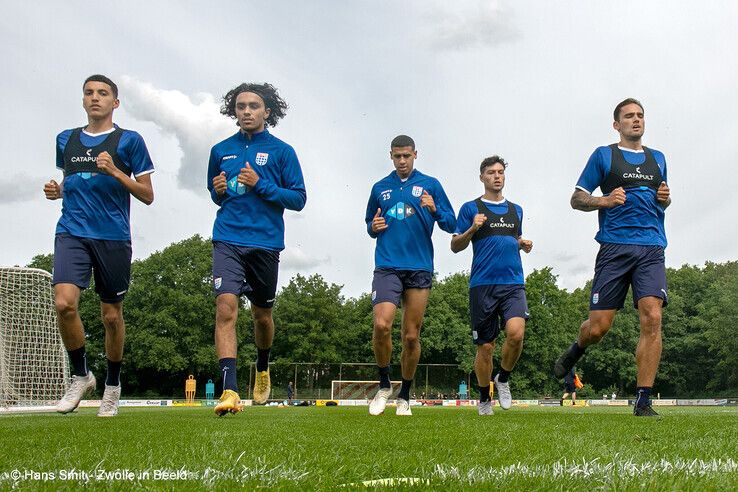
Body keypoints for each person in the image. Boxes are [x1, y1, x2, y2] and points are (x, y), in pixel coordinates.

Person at [44, 74, 155, 417]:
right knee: (64, 303)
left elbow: (148, 195)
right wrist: (58, 190)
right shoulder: (66, 139)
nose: (95, 98)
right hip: (72, 231)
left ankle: (112, 384)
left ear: (115, 103)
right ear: (82, 100)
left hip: (113, 237)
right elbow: (73, 180)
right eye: (89, 93)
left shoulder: (130, 141)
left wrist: (116, 174)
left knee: (110, 316)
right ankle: (80, 375)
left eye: (103, 93)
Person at [554, 98, 671, 417]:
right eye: (629, 117)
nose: (636, 120)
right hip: (614, 249)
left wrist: (666, 199)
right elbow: (576, 198)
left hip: (650, 248)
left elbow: (660, 203)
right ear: (616, 124)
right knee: (598, 328)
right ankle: (575, 351)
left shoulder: (658, 159)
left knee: (653, 316)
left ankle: (643, 399)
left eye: (640, 116)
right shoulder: (604, 155)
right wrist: (604, 200)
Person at [207, 83, 306, 416]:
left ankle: (262, 367)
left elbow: (298, 199)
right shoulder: (220, 150)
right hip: (227, 239)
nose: (246, 111)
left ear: (267, 111)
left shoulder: (282, 152)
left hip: (265, 244)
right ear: (233, 111)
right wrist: (219, 191)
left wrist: (260, 184)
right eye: (240, 106)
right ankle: (230, 389)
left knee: (262, 316)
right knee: (225, 308)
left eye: (253, 106)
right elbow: (217, 193)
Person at [365, 135, 456, 416]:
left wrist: (434, 208)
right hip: (387, 265)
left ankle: (404, 395)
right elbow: (370, 223)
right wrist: (374, 226)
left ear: (416, 154)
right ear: (390, 156)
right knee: (381, 325)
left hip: (419, 267)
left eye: (407, 156)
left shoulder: (431, 185)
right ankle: (383, 385)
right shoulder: (380, 187)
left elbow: (451, 223)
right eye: (397, 156)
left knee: (411, 337)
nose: (402, 161)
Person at [451, 156, 533, 416]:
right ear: (482, 177)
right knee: (485, 347)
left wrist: (521, 243)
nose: (496, 176)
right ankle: (484, 397)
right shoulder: (470, 208)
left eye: (500, 172)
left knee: (517, 333)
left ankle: (504, 378)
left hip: (513, 283)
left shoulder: (516, 210)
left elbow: (511, 238)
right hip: (482, 285)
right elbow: (455, 245)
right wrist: (472, 229)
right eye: (491, 173)